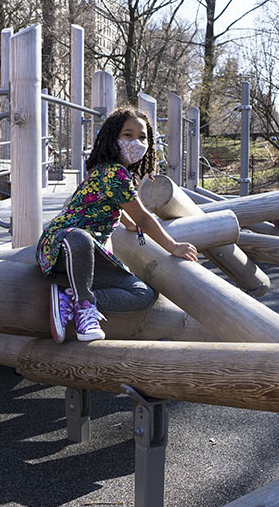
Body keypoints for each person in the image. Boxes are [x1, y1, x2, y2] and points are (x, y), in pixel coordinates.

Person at [36, 107, 198, 343]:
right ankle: (83, 308)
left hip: (90, 255)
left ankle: (68, 297)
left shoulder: (112, 174)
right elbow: (144, 218)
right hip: (61, 246)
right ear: (113, 139)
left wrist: (130, 224)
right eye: (128, 135)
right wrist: (173, 247)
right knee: (80, 237)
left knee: (142, 293)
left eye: (142, 137)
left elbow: (121, 210)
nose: (136, 142)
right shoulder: (113, 173)